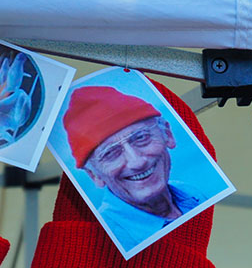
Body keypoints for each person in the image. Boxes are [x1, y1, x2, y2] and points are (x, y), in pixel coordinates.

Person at [63, 86, 203, 249]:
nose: (137, 162)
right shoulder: (104, 243)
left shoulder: (191, 194)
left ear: (168, 135)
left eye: (141, 138)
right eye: (110, 153)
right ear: (95, 176)